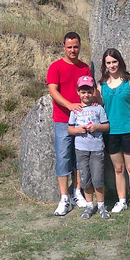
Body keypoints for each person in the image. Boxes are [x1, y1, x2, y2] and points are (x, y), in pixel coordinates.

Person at [97, 48, 130, 216]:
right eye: (108, 63)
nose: (111, 65)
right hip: (111, 132)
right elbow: (95, 104)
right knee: (118, 169)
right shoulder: (101, 85)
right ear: (104, 65)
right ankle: (122, 201)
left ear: (120, 62)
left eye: (114, 62)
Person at [47, 32, 91, 216]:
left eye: (76, 46)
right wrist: (70, 106)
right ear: (64, 47)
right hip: (62, 120)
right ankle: (64, 198)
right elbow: (53, 91)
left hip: (81, 120)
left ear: (80, 46)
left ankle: (77, 193)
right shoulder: (55, 67)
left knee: (79, 158)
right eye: (69, 47)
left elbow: (90, 90)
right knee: (63, 157)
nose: (73, 50)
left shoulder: (85, 68)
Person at [68, 75, 110, 220]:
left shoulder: (98, 109)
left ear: (93, 92)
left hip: (97, 148)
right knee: (85, 179)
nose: (86, 95)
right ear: (78, 92)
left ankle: (101, 205)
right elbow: (70, 129)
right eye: (83, 92)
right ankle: (89, 206)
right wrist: (78, 130)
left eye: (89, 91)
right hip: (81, 148)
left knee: (98, 178)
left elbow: (106, 126)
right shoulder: (76, 109)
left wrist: (96, 127)